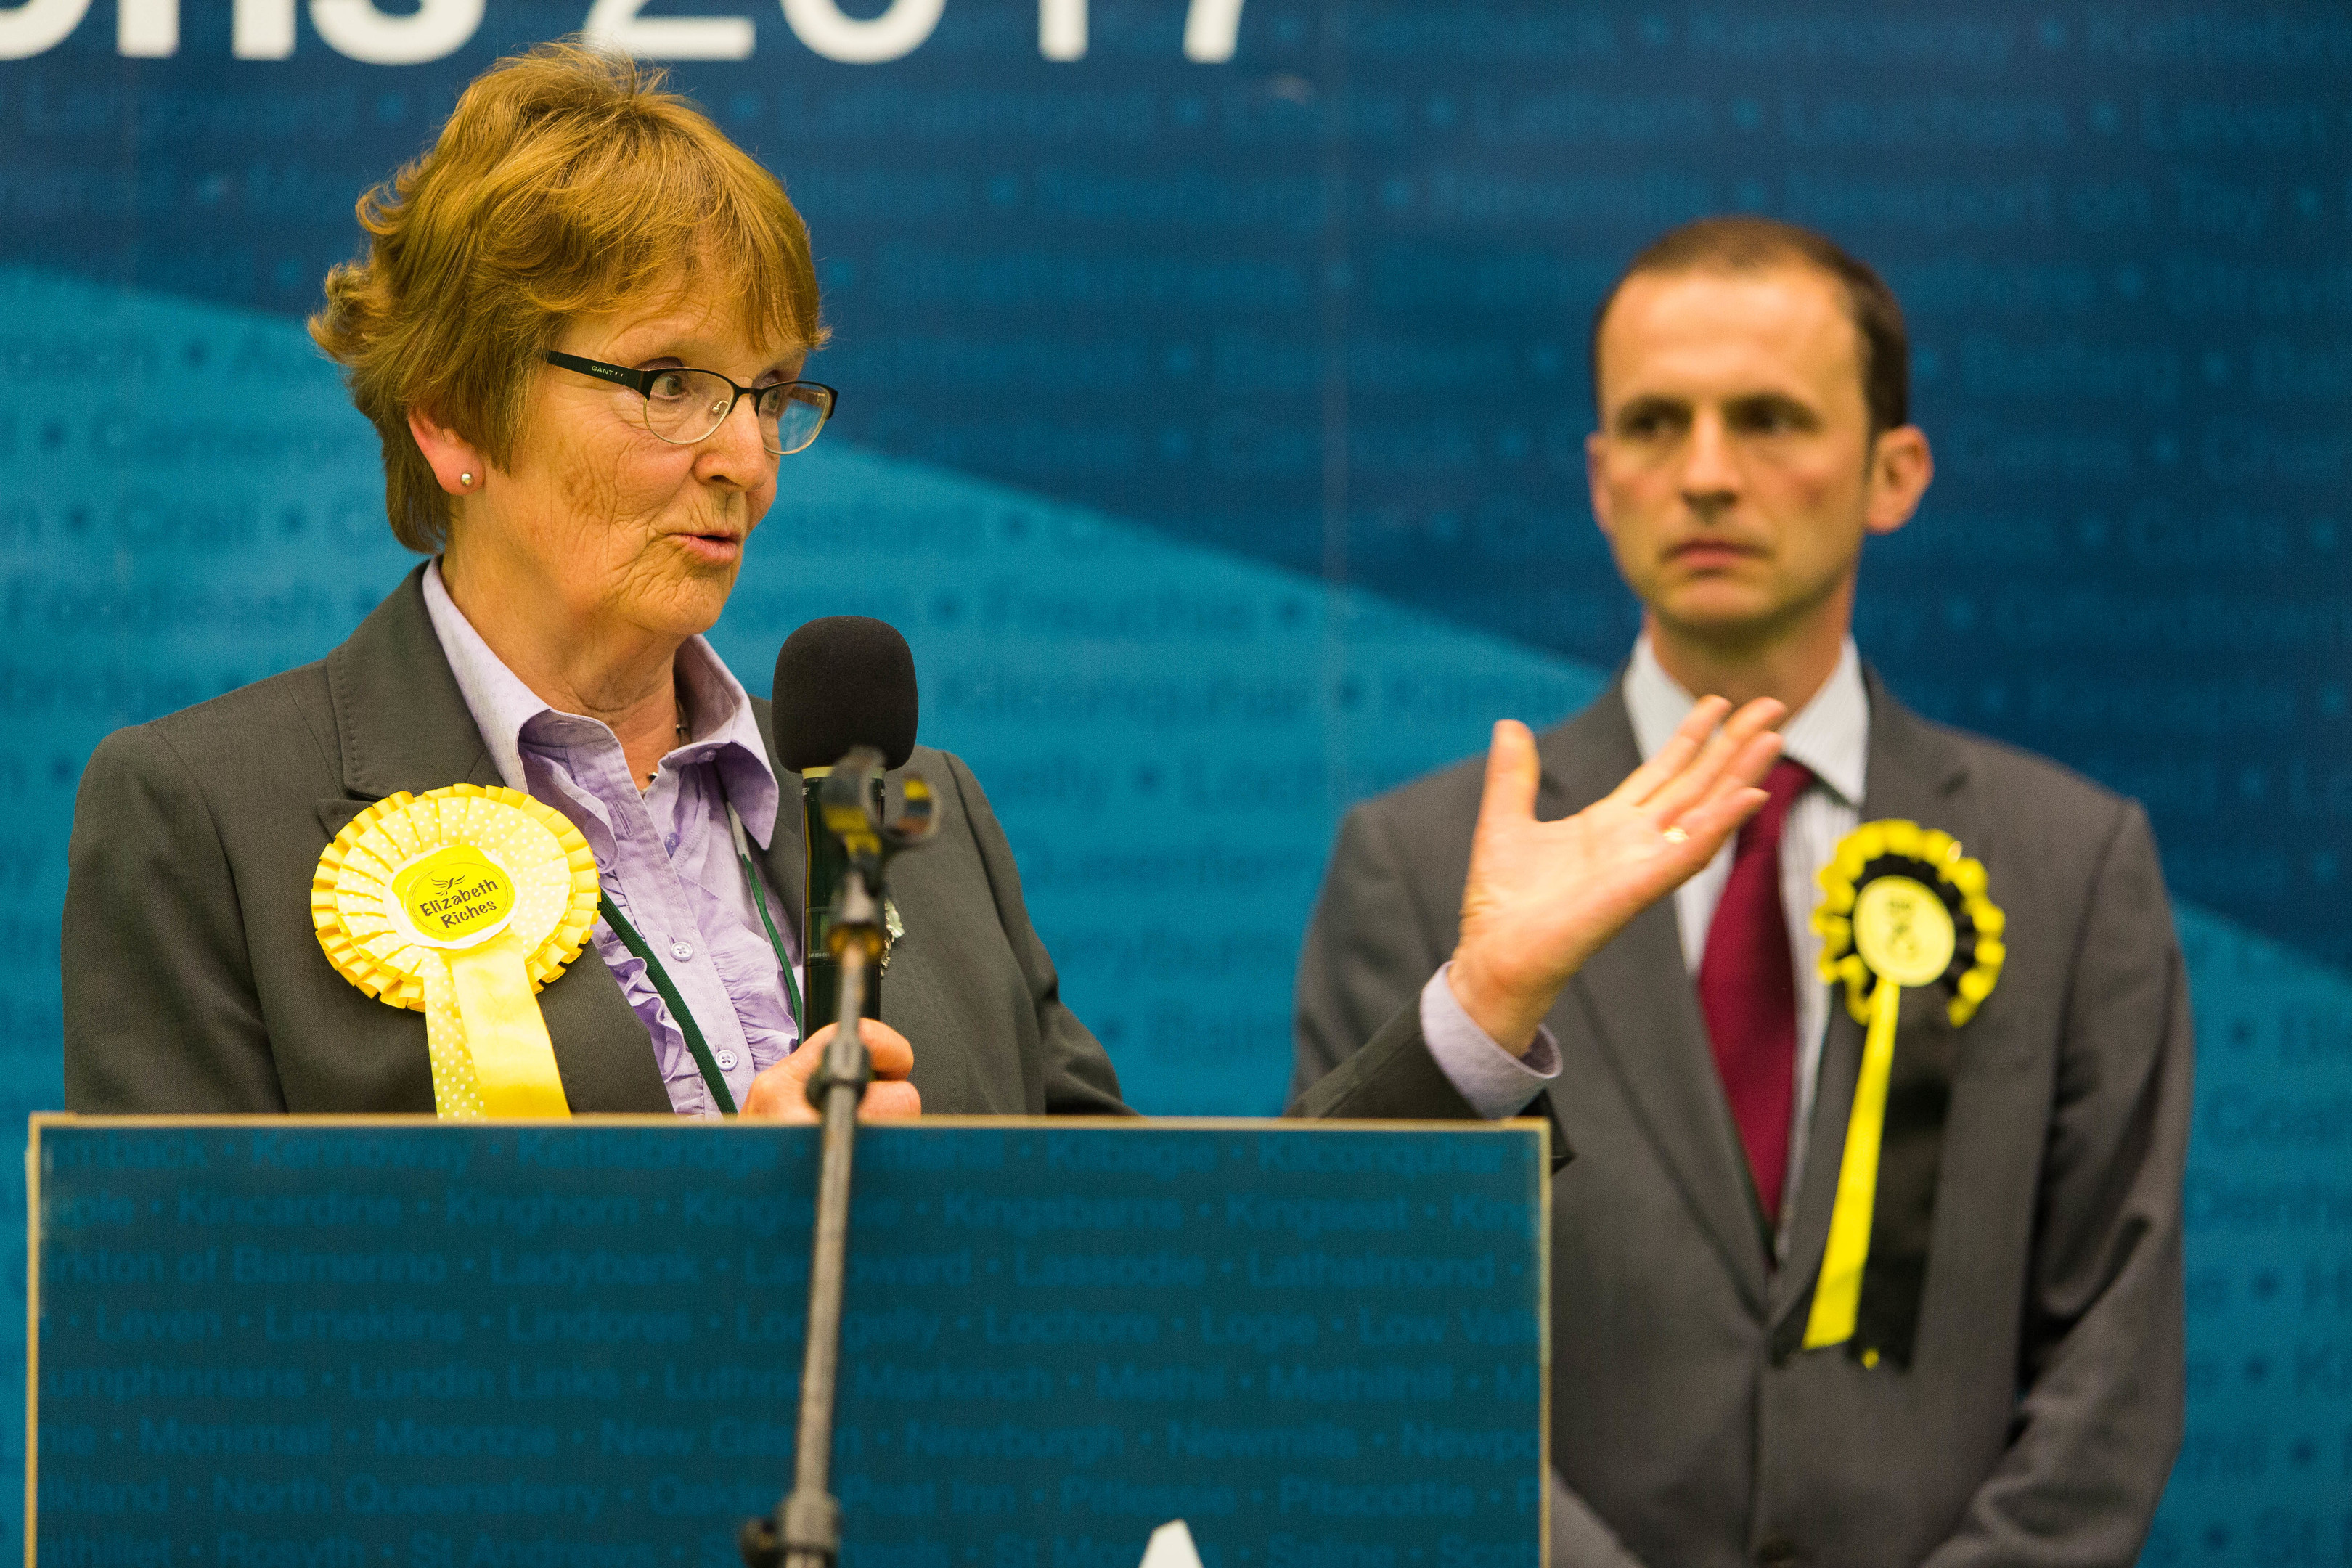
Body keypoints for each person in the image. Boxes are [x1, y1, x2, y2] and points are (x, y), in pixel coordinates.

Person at [62, 44, 1782, 1128]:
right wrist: (720, 1245)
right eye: (664, 381)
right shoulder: (211, 818)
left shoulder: (911, 821)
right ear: (452, 417)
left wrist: (1475, 1016)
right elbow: (211, 1385)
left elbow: (1158, 1295)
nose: (739, 455)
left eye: (768, 391)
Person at [1293, 218, 2192, 1567]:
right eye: (1655, 425)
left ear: (1895, 473)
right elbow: (1360, 1326)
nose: (1706, 474)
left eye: (1770, 419)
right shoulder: (1421, 863)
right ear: (1601, 481)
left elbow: (2109, 1371)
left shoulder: (2074, 865)